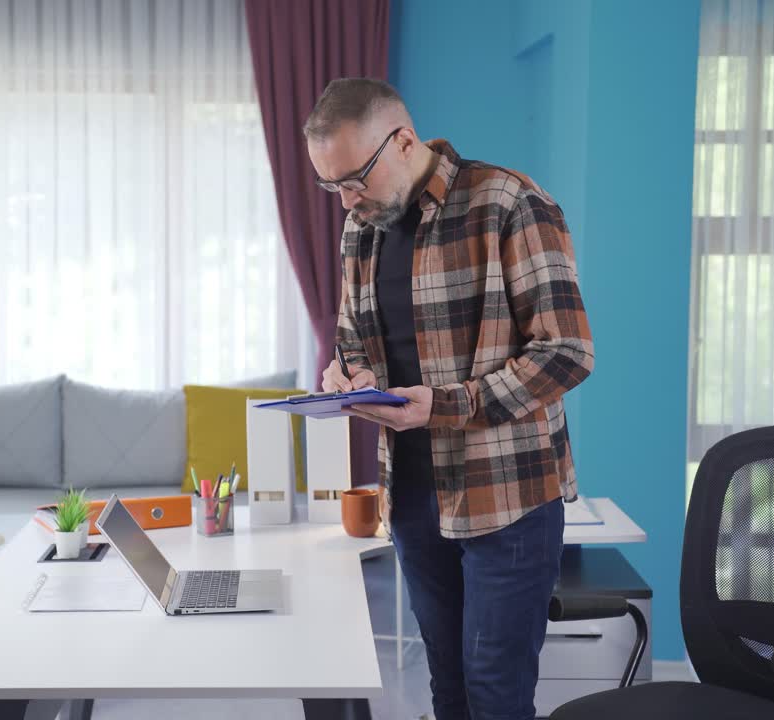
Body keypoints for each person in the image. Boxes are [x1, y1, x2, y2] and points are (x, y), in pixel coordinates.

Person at [305, 77, 594, 720]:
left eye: (354, 179)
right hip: (411, 494)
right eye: (331, 187)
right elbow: (355, 338)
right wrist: (348, 378)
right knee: (449, 687)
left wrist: (442, 406)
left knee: (495, 692)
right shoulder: (363, 228)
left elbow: (567, 353)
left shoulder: (509, 202)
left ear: (404, 141)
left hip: (508, 497)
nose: (346, 201)